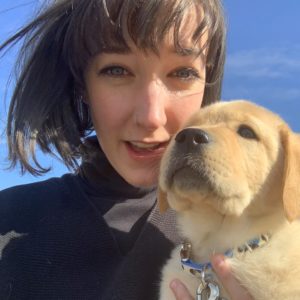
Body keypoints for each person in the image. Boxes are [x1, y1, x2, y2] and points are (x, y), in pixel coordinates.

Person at [0, 0, 253, 299]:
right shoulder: (8, 217)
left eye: (183, 73)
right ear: (83, 84)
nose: (151, 117)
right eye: (117, 70)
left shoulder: (251, 231)